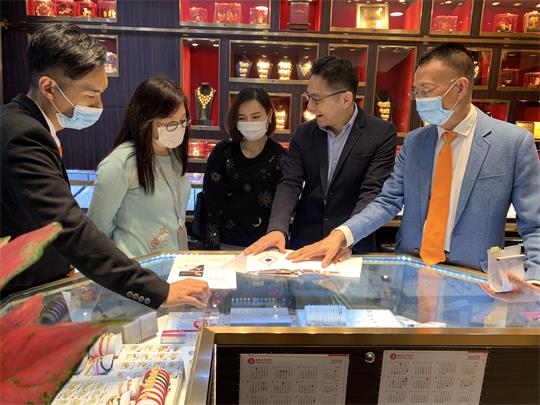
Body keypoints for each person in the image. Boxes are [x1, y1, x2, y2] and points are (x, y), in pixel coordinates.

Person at [288, 43, 540, 297]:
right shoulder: (416, 141)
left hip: (476, 282)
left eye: (426, 91)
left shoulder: (512, 143)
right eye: (416, 92)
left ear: (460, 87)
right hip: (411, 272)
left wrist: (536, 280)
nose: (420, 100)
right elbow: (387, 200)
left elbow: (535, 224)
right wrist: (342, 235)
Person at [0, 23, 210, 308]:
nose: (99, 105)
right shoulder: (24, 136)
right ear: (49, 87)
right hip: (19, 297)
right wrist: (158, 291)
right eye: (91, 95)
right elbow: (69, 227)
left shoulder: (26, 128)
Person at [244, 56, 397, 256]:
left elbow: (372, 192)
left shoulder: (380, 133)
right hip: (305, 241)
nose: (310, 107)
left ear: (346, 99)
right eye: (309, 98)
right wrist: (277, 228)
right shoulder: (303, 133)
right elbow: (290, 183)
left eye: (316, 99)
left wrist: (346, 238)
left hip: (352, 246)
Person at [88, 77, 191, 257]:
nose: (179, 128)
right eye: (170, 123)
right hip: (136, 266)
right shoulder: (120, 163)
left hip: (173, 263)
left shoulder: (173, 156)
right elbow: (97, 229)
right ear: (145, 120)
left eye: (183, 120)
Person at [199, 87, 285, 249]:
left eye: (255, 117)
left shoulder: (280, 156)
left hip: (266, 246)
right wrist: (212, 249)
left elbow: (284, 204)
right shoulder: (223, 152)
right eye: (242, 118)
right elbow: (211, 203)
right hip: (227, 244)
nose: (249, 123)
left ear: (269, 115)